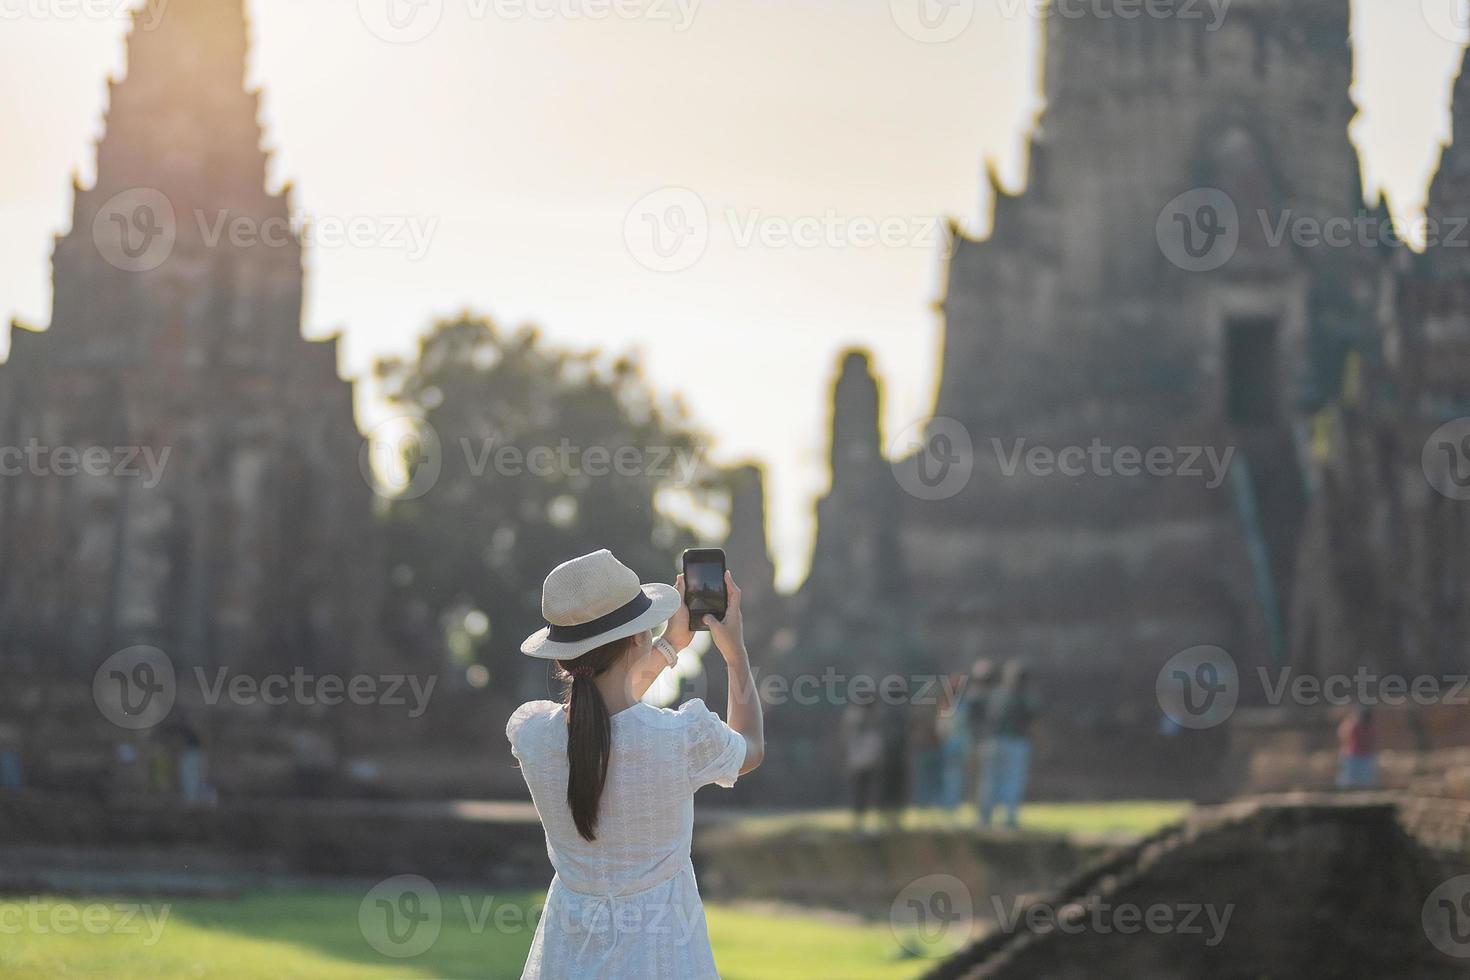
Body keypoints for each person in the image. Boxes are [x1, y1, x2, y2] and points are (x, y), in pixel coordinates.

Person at [507, 549, 764, 979]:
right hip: (663, 961)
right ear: (637, 638)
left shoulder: (533, 738)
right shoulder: (680, 739)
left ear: (563, 656)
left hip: (565, 961)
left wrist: (667, 647)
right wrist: (735, 653)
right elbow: (751, 747)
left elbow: (601, 715)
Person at [978, 661, 1038, 829]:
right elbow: (1033, 720)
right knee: (1012, 780)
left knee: (990, 780)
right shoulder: (1023, 696)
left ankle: (985, 817)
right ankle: (1008, 818)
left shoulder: (994, 694)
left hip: (993, 741)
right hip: (1014, 741)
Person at [841, 699, 883, 830]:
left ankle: (861, 819)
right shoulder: (856, 716)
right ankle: (859, 820)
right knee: (860, 793)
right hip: (862, 761)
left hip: (862, 761)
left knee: (864, 793)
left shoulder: (854, 716)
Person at [1337, 705, 1378, 790]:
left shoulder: (1370, 727)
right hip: (1352, 756)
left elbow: (1371, 741)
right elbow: (1343, 738)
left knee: (1367, 782)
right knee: (1348, 782)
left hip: (1366, 756)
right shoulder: (1350, 725)